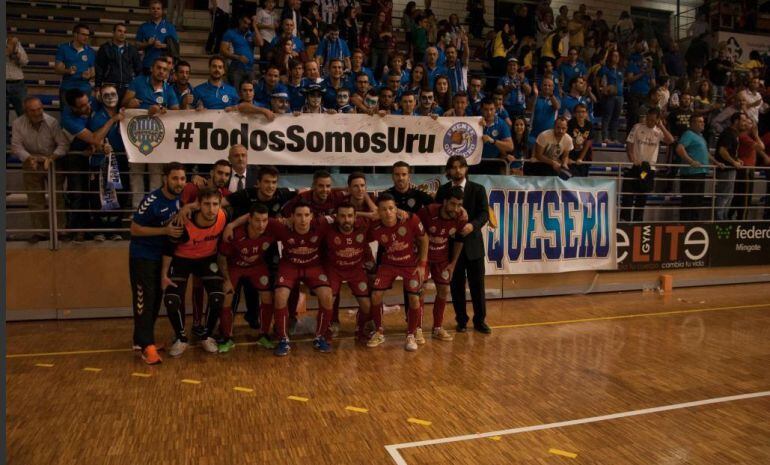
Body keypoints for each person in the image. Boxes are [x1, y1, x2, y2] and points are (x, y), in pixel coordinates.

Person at [129, 162, 186, 365]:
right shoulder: (151, 201)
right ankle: (147, 347)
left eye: (182, 178)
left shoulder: (181, 197)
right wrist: (165, 231)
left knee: (154, 300)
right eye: (175, 178)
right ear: (165, 179)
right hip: (142, 256)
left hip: (161, 257)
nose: (179, 183)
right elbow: (134, 229)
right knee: (144, 301)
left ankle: (140, 341)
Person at [161, 188, 228, 357]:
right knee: (171, 299)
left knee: (218, 296)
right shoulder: (183, 222)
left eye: (215, 204)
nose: (211, 209)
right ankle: (181, 338)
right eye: (207, 204)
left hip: (207, 259)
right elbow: (168, 250)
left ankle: (207, 336)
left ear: (220, 205)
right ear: (198, 205)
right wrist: (164, 274)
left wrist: (232, 226)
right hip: (181, 260)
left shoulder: (223, 216)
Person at [271, 201, 336, 355]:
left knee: (327, 295)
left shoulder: (321, 223)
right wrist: (231, 226)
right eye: (299, 215)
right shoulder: (281, 226)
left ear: (312, 216)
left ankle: (320, 337)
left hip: (313, 267)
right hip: (289, 267)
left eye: (306, 215)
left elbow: (343, 215)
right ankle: (283, 339)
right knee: (280, 296)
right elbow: (257, 217)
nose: (303, 219)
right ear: (292, 217)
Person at [434, 155, 490, 333]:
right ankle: (461, 320)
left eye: (461, 167)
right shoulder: (443, 191)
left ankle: (480, 321)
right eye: (453, 167)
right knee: (456, 286)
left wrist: (472, 225)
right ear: (448, 171)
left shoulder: (478, 189)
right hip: (451, 247)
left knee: (477, 286)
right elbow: (437, 214)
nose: (457, 170)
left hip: (473, 246)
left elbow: (484, 214)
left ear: (466, 168)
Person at [367, 193, 428, 351]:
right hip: (388, 264)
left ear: (396, 209)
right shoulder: (374, 226)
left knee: (414, 299)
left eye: (391, 208)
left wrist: (422, 264)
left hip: (410, 264)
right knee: (375, 295)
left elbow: (424, 239)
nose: (388, 212)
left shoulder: (410, 219)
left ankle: (411, 334)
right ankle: (379, 331)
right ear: (378, 212)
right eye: (383, 209)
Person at [217, 203, 280, 352]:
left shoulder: (272, 228)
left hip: (257, 266)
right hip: (235, 267)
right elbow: (221, 257)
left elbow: (289, 225)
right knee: (227, 295)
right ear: (249, 219)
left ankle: (264, 335)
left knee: (268, 296)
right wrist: (226, 280)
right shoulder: (235, 234)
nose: (261, 224)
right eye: (257, 220)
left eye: (264, 220)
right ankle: (227, 337)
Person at [10, 97, 69, 243]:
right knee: (35, 198)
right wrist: (29, 158)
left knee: (58, 198)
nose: (37, 113)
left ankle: (61, 231)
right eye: (33, 110)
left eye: (39, 109)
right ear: (26, 111)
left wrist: (52, 157)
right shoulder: (18, 123)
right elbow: (16, 146)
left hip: (52, 160)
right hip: (30, 161)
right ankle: (40, 232)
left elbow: (63, 144)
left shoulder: (52, 122)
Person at [417, 187, 466, 342]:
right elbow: (415, 233)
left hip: (442, 259)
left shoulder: (461, 217)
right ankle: (417, 329)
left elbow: (460, 240)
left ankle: (437, 328)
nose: (456, 209)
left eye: (459, 205)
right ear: (444, 202)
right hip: (423, 257)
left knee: (444, 290)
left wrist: (453, 263)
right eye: (453, 204)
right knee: (420, 291)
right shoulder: (427, 212)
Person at [323, 203, 374, 343]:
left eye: (350, 216)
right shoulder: (327, 229)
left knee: (367, 305)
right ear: (336, 217)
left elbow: (380, 217)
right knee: (328, 300)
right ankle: (324, 331)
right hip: (334, 270)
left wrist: (371, 265)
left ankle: (360, 329)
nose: (346, 220)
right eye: (343, 216)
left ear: (355, 217)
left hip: (355, 270)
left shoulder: (363, 227)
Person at [621, 107, 675, 222]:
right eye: (648, 119)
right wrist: (632, 159)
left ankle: (637, 221)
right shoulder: (637, 127)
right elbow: (629, 144)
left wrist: (661, 126)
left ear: (657, 120)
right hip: (635, 167)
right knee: (628, 195)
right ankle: (625, 220)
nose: (649, 122)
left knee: (642, 196)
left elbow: (670, 140)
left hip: (648, 169)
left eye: (652, 120)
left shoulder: (658, 131)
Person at [676, 115, 716, 221]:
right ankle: (686, 222)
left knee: (698, 199)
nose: (703, 123)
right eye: (699, 121)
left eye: (703, 121)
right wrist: (691, 161)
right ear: (692, 123)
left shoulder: (700, 136)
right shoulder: (688, 134)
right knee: (690, 200)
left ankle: (694, 221)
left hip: (701, 172)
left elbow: (705, 152)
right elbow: (679, 148)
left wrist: (716, 162)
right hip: (691, 173)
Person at [95, 24, 142, 101]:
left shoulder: (132, 49)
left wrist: (139, 87)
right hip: (110, 87)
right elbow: (99, 68)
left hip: (128, 87)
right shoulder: (105, 48)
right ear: (113, 32)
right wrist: (97, 87)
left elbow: (138, 69)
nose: (122, 34)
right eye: (119, 31)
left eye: (124, 32)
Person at [714, 112, 747, 221]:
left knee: (728, 195)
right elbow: (722, 151)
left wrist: (737, 159)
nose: (745, 123)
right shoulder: (728, 133)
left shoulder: (734, 133)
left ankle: (724, 217)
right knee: (724, 195)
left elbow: (730, 151)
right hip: (726, 169)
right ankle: (719, 218)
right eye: (743, 120)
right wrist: (733, 162)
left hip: (730, 168)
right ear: (736, 121)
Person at [54, 23, 95, 106]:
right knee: (66, 113)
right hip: (67, 88)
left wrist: (89, 75)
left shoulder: (90, 51)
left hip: (84, 89)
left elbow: (93, 72)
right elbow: (57, 69)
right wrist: (68, 71)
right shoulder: (63, 48)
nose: (86, 37)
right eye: (83, 34)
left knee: (84, 113)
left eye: (87, 35)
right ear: (75, 34)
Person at [136, 0, 179, 74]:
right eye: (153, 8)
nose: (155, 10)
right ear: (149, 10)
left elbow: (176, 46)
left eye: (158, 8)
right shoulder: (143, 27)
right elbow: (137, 45)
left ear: (162, 11)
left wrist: (162, 46)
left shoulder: (170, 27)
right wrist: (148, 44)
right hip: (148, 64)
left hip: (165, 66)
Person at [221, 14, 258, 88]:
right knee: (236, 92)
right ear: (240, 21)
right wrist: (238, 57)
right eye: (244, 22)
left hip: (250, 69)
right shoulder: (230, 33)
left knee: (251, 92)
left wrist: (255, 26)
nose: (246, 26)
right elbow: (223, 50)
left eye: (249, 24)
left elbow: (260, 43)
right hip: (236, 68)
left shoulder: (251, 34)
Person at [598, 49, 624, 144]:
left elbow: (622, 82)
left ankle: (614, 138)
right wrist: (604, 90)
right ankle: (605, 137)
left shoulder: (620, 70)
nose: (616, 57)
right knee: (607, 117)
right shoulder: (606, 69)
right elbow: (600, 79)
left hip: (619, 96)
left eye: (618, 56)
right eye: (614, 55)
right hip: (610, 96)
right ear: (610, 57)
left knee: (616, 118)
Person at [479, 98, 513, 169]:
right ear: (481, 109)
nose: (489, 112)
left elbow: (510, 147)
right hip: (476, 161)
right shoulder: (475, 122)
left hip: (494, 161)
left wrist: (492, 141)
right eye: (486, 109)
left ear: (495, 109)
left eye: (491, 109)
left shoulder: (502, 124)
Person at [530, 78, 561, 144]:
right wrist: (535, 95)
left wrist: (551, 95)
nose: (547, 87)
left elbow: (557, 107)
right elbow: (529, 107)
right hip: (534, 133)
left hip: (549, 134)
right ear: (541, 86)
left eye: (549, 86)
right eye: (545, 85)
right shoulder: (536, 98)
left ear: (553, 88)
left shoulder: (556, 98)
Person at [6, 34, 29, 117]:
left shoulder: (16, 44)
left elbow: (25, 61)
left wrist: (17, 54)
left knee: (24, 115)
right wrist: (8, 51)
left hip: (18, 84)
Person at [567, 104, 593, 176]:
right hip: (571, 153)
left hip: (584, 155)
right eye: (578, 112)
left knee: (583, 176)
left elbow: (588, 143)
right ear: (574, 114)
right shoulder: (569, 124)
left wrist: (580, 158)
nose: (581, 114)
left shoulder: (589, 125)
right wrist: (566, 157)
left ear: (586, 113)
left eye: (583, 112)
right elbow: (567, 142)